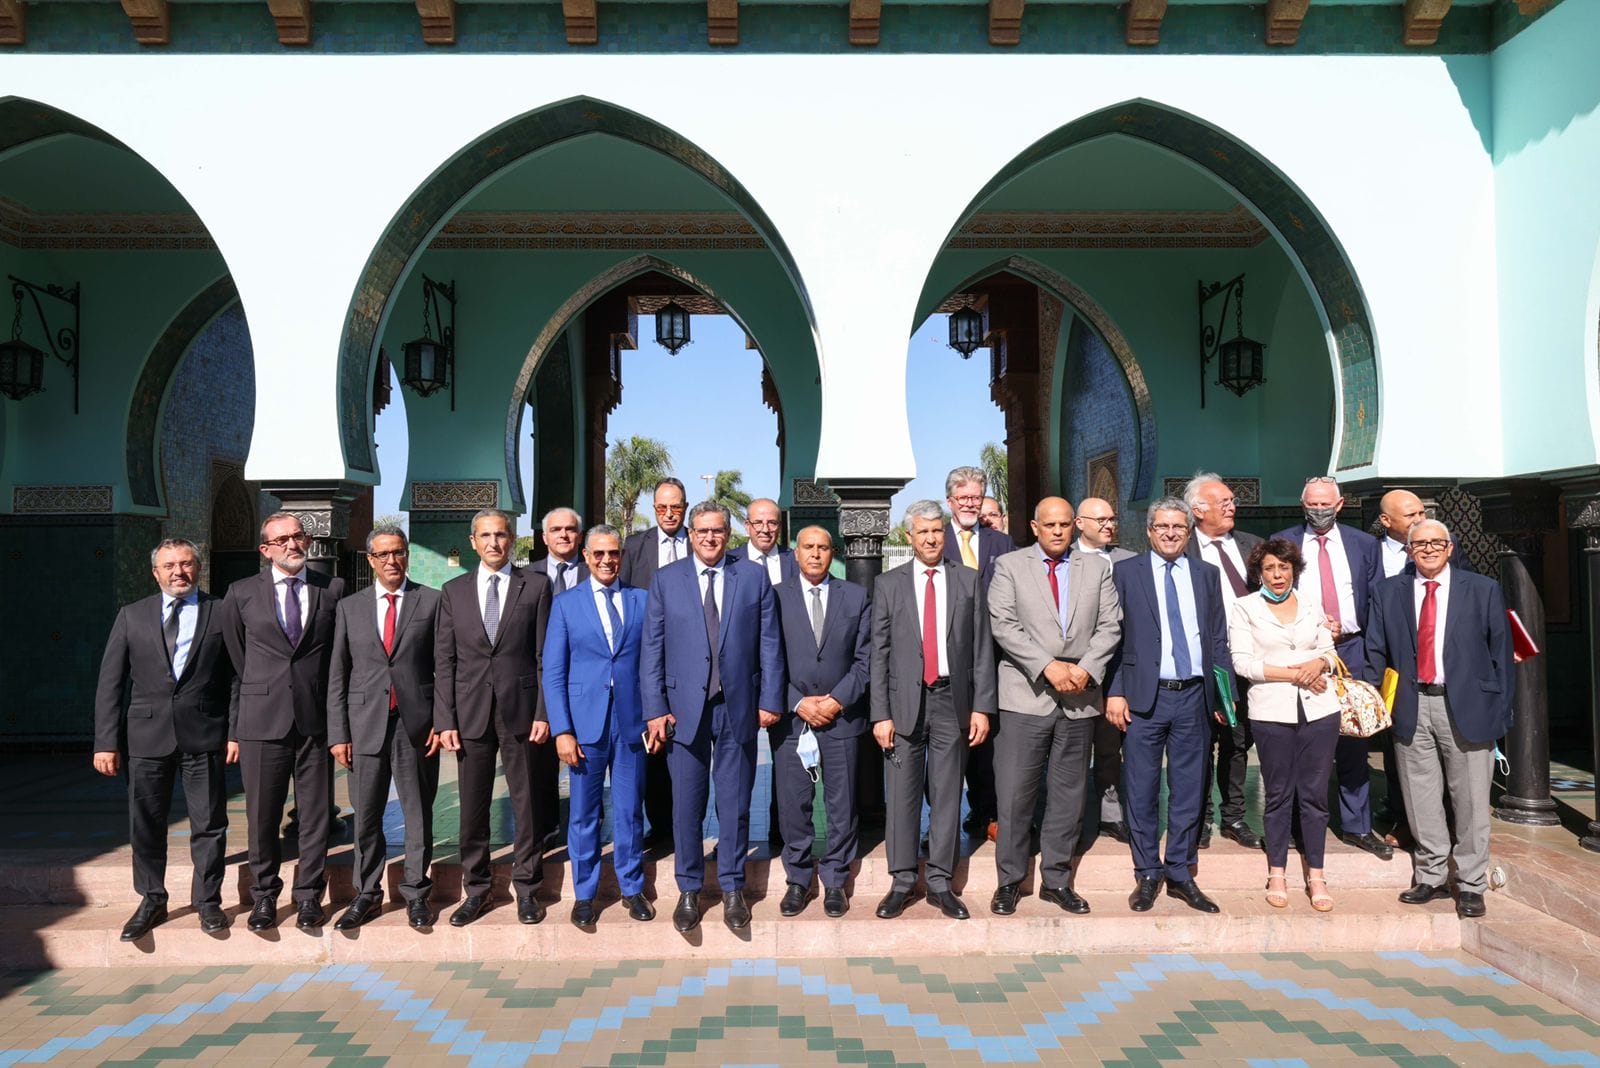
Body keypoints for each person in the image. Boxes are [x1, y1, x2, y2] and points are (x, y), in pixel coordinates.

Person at [641, 501, 784, 933]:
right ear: (690, 535)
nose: (709, 538)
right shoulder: (666, 580)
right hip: (683, 713)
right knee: (686, 805)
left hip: (736, 707)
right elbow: (652, 648)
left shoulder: (753, 576)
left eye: (717, 531)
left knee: (735, 803)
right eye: (701, 531)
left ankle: (732, 887)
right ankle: (688, 889)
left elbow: (770, 644)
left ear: (728, 533)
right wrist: (655, 709)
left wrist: (771, 699)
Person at [1364, 520, 1512, 919]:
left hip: (1466, 706)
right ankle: (1429, 875)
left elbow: (1502, 655)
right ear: (1409, 550)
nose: (1428, 549)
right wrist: (1371, 702)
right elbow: (1376, 649)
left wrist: (1501, 712)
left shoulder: (1482, 589)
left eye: (1436, 543)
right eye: (1420, 544)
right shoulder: (1387, 591)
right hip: (1411, 706)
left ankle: (1470, 883)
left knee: (1471, 801)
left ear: (1449, 548)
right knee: (1420, 796)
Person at [93, 537, 238, 940]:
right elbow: (110, 683)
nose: (179, 572)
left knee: (209, 823)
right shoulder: (131, 616)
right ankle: (152, 899)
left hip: (204, 734)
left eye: (187, 563)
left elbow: (238, 678)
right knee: (146, 823)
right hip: (145, 736)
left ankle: (208, 901)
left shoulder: (222, 612)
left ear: (199, 567)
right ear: (155, 572)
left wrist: (235, 731)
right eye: (170, 565)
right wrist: (105, 741)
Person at [987, 497, 1121, 917]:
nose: (1059, 531)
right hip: (1026, 695)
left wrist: (1087, 669)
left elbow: (1110, 624)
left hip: (1080, 695)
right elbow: (1003, 625)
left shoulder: (1097, 568)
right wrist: (1047, 666)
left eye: (1065, 524)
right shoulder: (1009, 566)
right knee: (1014, 794)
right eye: (1051, 525)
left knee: (1068, 793)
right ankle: (1010, 880)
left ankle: (1056, 880)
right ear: (1034, 526)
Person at [1105, 497, 1232, 915]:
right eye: (1163, 527)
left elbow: (1216, 637)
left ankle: (1179, 870)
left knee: (1189, 789)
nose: (1171, 533)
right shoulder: (1125, 573)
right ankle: (1146, 871)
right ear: (1149, 530)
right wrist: (1116, 691)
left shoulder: (1206, 574)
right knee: (1140, 788)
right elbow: (1115, 639)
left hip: (1194, 696)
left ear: (1189, 530)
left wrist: (1223, 696)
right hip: (1145, 697)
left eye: (1179, 526)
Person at [871, 500, 996, 921]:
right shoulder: (889, 584)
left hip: (951, 701)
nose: (930, 538)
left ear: (945, 534)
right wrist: (880, 714)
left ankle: (941, 881)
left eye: (937, 531)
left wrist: (981, 707)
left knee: (946, 796)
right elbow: (879, 655)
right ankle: (903, 880)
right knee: (902, 797)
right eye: (922, 532)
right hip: (904, 704)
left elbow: (981, 648)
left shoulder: (968, 580)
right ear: (909, 536)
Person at [221, 512, 346, 932]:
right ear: (266, 549)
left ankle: (309, 897)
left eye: (298, 537)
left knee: (315, 817)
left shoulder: (332, 589)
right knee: (262, 816)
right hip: (262, 722)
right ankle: (264, 896)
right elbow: (239, 661)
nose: (293, 545)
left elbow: (334, 660)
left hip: (315, 722)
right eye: (283, 540)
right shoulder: (240, 595)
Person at [434, 508, 554, 927]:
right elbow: (444, 661)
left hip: (522, 712)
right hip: (470, 714)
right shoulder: (453, 592)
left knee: (528, 806)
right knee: (472, 807)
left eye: (501, 535)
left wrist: (544, 711)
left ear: (512, 538)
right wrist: (445, 719)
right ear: (473, 542)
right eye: (485, 536)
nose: (493, 543)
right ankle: (478, 889)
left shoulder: (536, 587)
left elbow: (544, 657)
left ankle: (526, 889)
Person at [327, 525, 441, 931]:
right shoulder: (350, 607)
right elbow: (338, 674)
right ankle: (367, 893)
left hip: (416, 727)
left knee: (418, 813)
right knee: (367, 815)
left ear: (406, 555)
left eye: (398, 553)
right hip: (363, 727)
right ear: (371, 560)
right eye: (383, 555)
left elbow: (443, 668)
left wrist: (440, 722)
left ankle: (415, 893)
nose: (392, 561)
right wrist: (338, 733)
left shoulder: (430, 601)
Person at [1272, 476, 1392, 861]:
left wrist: (1373, 659)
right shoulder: (1285, 542)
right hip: (1302, 654)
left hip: (1352, 651)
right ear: (1301, 504)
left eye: (1326, 505)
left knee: (1354, 741)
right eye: (1312, 504)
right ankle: (1300, 827)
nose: (1319, 511)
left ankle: (1357, 825)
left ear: (1340, 505)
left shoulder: (1364, 545)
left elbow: (1376, 603)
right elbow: (1273, 593)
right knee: (1302, 740)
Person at [543, 524, 654, 928]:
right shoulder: (566, 605)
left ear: (621, 556)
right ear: (586, 557)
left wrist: (654, 716)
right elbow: (553, 673)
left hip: (631, 724)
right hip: (584, 728)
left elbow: (652, 662)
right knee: (584, 815)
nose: (607, 561)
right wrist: (562, 730)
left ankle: (631, 887)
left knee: (628, 810)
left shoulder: (641, 600)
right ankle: (584, 893)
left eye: (614, 554)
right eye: (599, 554)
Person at [1228, 539, 1341, 912]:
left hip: (1320, 710)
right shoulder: (1244, 608)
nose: (1278, 575)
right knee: (1278, 794)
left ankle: (1317, 874)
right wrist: (1297, 673)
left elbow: (1329, 651)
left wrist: (1319, 665)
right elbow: (1244, 664)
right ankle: (1277, 870)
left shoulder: (1310, 603)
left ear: (1295, 569)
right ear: (1259, 573)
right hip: (1272, 713)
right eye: (1270, 569)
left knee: (1314, 795)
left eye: (1284, 567)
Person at [770, 526, 871, 918]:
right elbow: (768, 660)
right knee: (794, 804)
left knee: (841, 804)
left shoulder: (856, 596)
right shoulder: (776, 598)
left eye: (823, 548)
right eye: (808, 547)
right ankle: (797, 879)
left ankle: (834, 880)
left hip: (841, 718)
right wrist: (797, 703)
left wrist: (837, 700)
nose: (815, 554)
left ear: (834, 553)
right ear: (795, 554)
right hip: (793, 720)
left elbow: (866, 659)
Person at [1183, 473, 1264, 851]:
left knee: (1237, 741)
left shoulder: (1253, 546)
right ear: (1198, 511)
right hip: (1203, 662)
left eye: (1232, 501)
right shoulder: (1182, 550)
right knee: (1200, 742)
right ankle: (1199, 819)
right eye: (1224, 502)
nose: (1233, 507)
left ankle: (1233, 816)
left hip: (1248, 660)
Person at [941, 466, 1015, 838]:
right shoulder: (936, 539)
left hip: (996, 657)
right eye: (963, 497)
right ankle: (943, 823)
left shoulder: (1001, 543)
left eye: (975, 497)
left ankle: (990, 812)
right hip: (948, 658)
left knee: (989, 738)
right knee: (949, 743)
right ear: (950, 501)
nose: (970, 504)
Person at [619, 477, 690, 845]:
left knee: (690, 748)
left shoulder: (701, 542)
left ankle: (686, 824)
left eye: (675, 507)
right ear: (653, 509)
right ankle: (661, 827)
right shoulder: (634, 547)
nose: (668, 514)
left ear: (686, 507)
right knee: (654, 746)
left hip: (694, 662)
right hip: (649, 661)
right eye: (661, 507)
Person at [1074, 497, 1135, 845]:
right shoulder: (1064, 559)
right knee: (1074, 751)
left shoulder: (1127, 561)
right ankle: (1076, 819)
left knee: (1111, 746)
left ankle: (1112, 816)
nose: (1109, 525)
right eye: (1101, 519)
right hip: (1076, 672)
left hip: (1119, 668)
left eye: (1112, 519)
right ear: (1080, 523)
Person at [741, 497, 797, 586]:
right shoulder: (730, 561)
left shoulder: (795, 560)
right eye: (758, 523)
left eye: (772, 523)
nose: (765, 530)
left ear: (779, 527)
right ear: (747, 526)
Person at [533, 507, 588, 594]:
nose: (563, 535)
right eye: (556, 530)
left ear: (580, 537)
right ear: (545, 538)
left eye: (570, 529)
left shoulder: (594, 573)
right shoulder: (528, 574)